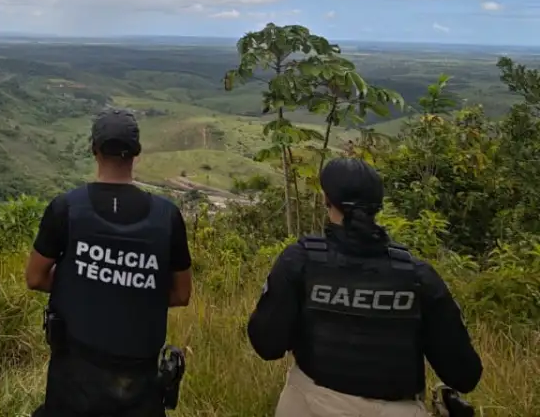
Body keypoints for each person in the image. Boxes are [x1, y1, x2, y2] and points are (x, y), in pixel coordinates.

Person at [247, 157, 483, 416]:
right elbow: (464, 375)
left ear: (327, 198)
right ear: (377, 206)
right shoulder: (417, 276)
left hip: (310, 403)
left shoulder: (300, 261)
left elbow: (267, 345)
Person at [26, 107, 194, 417]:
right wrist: (129, 289)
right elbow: (182, 294)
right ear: (136, 154)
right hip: (139, 383)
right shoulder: (167, 217)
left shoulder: (66, 208)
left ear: (94, 149)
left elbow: (35, 278)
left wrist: (86, 287)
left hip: (75, 377)